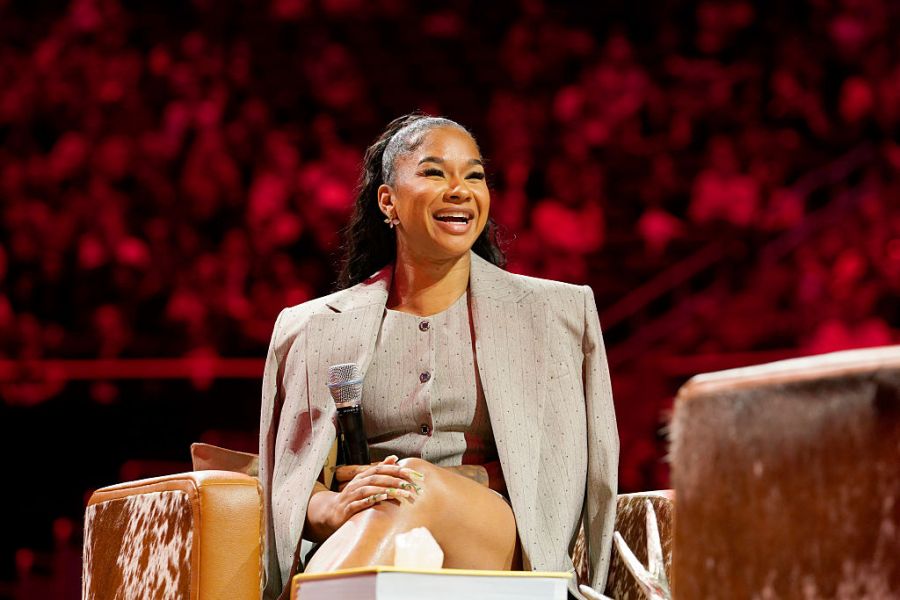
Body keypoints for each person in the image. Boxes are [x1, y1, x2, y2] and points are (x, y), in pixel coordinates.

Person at [259, 114, 618, 600]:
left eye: (474, 176)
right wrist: (335, 508)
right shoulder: (312, 327)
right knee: (401, 498)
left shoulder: (556, 314)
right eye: (434, 172)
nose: (459, 190)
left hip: (499, 541)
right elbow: (290, 485)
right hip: (363, 532)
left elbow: (584, 474)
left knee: (413, 485)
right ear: (388, 201)